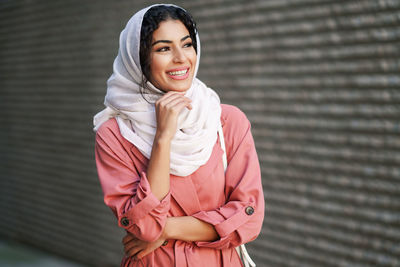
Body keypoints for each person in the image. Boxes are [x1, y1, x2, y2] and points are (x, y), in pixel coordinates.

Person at [93, 4, 264, 267]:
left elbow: (249, 219)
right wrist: (163, 137)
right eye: (163, 48)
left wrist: (168, 229)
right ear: (138, 58)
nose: (181, 58)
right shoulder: (115, 134)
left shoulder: (226, 121)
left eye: (186, 44)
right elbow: (146, 227)